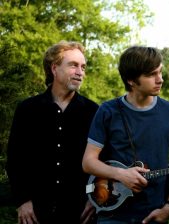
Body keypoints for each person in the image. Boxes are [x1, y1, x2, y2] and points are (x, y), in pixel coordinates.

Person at [82, 46, 169, 224]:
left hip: (153, 214)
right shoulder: (107, 111)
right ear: (131, 80)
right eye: (151, 75)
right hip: (112, 213)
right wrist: (121, 174)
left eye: (160, 72)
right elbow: (88, 162)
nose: (160, 79)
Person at [6, 41, 98, 224]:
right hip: (36, 213)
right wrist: (23, 201)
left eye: (83, 67)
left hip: (81, 214)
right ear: (54, 68)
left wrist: (95, 199)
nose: (80, 72)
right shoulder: (27, 109)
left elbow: (103, 160)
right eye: (73, 65)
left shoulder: (94, 111)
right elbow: (15, 159)